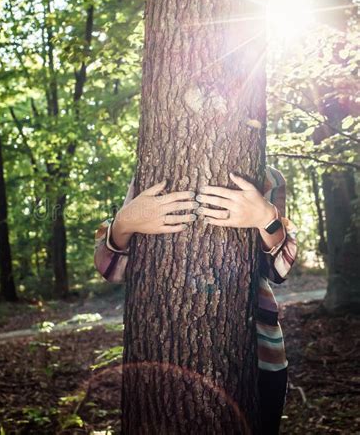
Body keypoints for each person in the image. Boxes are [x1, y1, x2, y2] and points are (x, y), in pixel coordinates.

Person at [94, 165, 298, 434]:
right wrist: (123, 224)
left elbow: (278, 269)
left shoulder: (268, 176)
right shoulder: (150, 165)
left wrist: (267, 219)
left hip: (259, 354)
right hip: (159, 351)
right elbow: (109, 267)